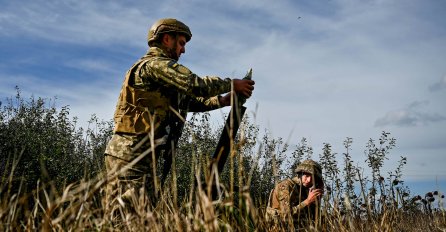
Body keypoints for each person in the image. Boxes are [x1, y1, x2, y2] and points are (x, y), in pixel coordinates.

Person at [104, 18, 255, 221]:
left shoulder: (159, 77)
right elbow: (195, 85)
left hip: (138, 155)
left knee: (136, 216)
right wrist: (231, 84)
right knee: (126, 218)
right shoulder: (155, 65)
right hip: (132, 155)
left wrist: (223, 100)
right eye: (181, 43)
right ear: (167, 39)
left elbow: (189, 101)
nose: (183, 50)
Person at [266, 159, 324, 230]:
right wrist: (307, 201)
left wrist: (316, 202)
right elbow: (285, 216)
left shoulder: (306, 191)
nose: (309, 180)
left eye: (313, 178)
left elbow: (314, 220)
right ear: (300, 174)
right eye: (307, 175)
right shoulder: (286, 186)